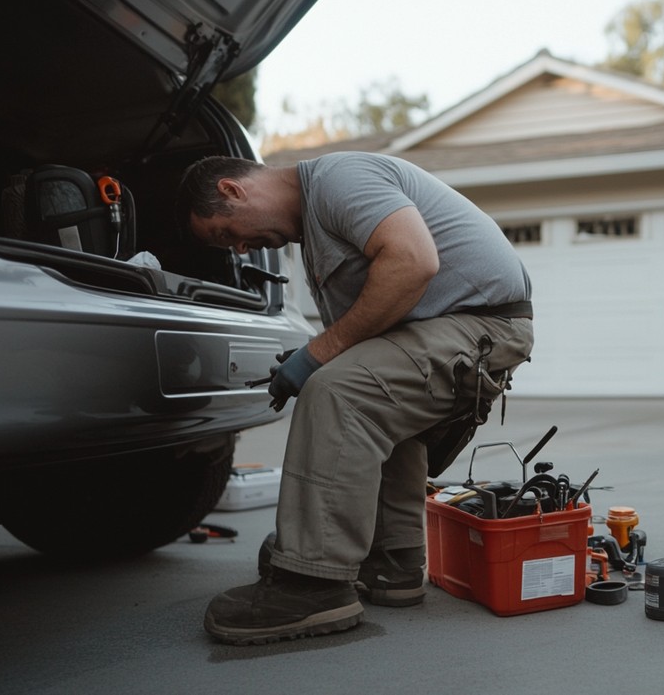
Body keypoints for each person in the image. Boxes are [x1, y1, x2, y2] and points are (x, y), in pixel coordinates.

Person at [176, 152, 534, 645]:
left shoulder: (337, 179)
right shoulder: (316, 231)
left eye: (225, 233)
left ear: (232, 190)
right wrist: (317, 353)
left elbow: (413, 261)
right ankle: (392, 562)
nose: (237, 249)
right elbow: (365, 332)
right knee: (370, 396)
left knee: (338, 392)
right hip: (456, 325)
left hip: (484, 323)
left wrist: (317, 356)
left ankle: (312, 584)